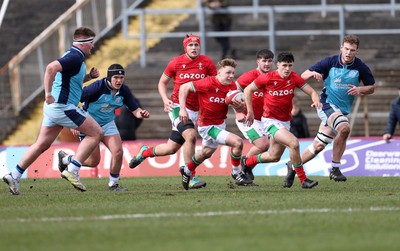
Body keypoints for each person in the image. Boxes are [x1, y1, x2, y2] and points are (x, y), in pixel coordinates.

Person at [2, 27, 103, 195]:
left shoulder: (72, 57)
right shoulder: (74, 57)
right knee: (96, 133)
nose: (93, 46)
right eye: (91, 43)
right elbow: (50, 69)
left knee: (41, 144)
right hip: (63, 107)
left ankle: (15, 174)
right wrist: (48, 94)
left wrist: (88, 78)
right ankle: (72, 169)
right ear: (84, 43)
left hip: (53, 109)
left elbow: (68, 80)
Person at [284, 34, 375, 187]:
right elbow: (302, 76)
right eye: (346, 49)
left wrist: (360, 89)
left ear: (357, 51)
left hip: (342, 110)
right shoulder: (330, 62)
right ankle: (335, 168)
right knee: (344, 128)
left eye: (352, 50)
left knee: (319, 145)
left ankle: (292, 165)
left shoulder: (360, 67)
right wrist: (313, 73)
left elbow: (371, 87)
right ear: (341, 48)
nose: (348, 53)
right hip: (326, 104)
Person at [128, 34, 217, 189]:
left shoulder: (207, 63)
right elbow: (162, 82)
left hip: (195, 110)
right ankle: (191, 175)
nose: (194, 48)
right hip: (177, 106)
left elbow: (215, 83)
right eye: (191, 45)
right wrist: (165, 99)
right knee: (190, 135)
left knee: (171, 148)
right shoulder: (176, 62)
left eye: (196, 45)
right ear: (185, 47)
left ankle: (144, 153)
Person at [57, 64, 151, 191]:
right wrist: (76, 121)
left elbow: (135, 110)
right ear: (109, 77)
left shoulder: (124, 90)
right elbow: (74, 98)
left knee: (118, 152)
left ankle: (113, 184)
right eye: (116, 77)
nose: (119, 80)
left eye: (121, 77)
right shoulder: (97, 87)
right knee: (93, 162)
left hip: (108, 123)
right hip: (89, 124)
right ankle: (66, 159)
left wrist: (141, 113)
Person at [242, 52, 321, 189]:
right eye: (284, 65)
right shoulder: (267, 78)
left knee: (274, 156)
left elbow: (313, 92)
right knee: (294, 144)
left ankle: (247, 162)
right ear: (277, 65)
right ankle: (303, 180)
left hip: (285, 121)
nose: (287, 68)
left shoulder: (294, 77)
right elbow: (248, 90)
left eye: (290, 65)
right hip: (270, 121)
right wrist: (250, 111)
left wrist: (316, 101)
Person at [179, 58, 253, 190]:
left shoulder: (232, 86)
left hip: (220, 124)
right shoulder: (207, 83)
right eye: (228, 73)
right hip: (207, 126)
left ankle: (187, 171)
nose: (231, 76)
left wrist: (239, 111)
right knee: (237, 142)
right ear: (219, 73)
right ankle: (236, 173)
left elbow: (235, 104)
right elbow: (184, 87)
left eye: (233, 73)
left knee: (205, 153)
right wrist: (183, 109)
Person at [234, 49, 274, 180]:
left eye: (269, 61)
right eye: (264, 60)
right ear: (258, 61)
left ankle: (246, 167)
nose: (267, 64)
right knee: (263, 145)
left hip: (266, 118)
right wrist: (238, 112)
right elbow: (233, 91)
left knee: (270, 150)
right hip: (248, 118)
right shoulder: (250, 76)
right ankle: (244, 168)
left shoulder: (274, 76)